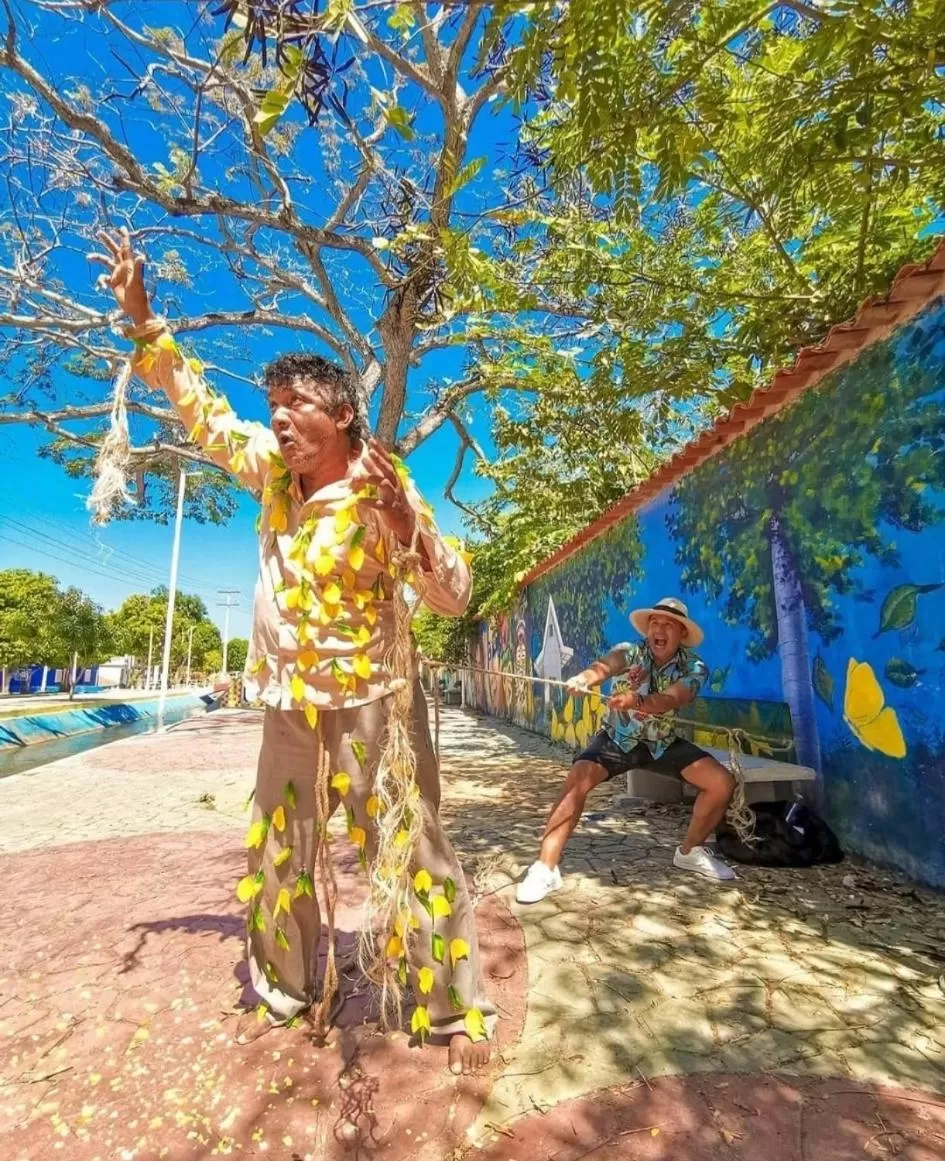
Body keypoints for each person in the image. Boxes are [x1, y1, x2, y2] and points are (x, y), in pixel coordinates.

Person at [89, 228, 494, 1074]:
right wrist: (145, 323)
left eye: (296, 406)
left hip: (374, 702)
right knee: (278, 847)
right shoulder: (272, 474)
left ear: (340, 413)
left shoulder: (383, 481)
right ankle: (283, 985)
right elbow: (204, 415)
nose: (278, 418)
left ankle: (450, 1000)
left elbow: (455, 591)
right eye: (273, 407)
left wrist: (402, 524)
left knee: (405, 847)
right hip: (285, 704)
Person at [516, 597, 736, 903]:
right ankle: (545, 868)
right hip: (618, 738)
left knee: (721, 783)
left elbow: (673, 698)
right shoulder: (632, 650)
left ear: (681, 634)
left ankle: (689, 852)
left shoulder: (695, 668)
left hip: (662, 743)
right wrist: (585, 678)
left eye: (668, 625)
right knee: (577, 780)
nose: (659, 630)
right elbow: (607, 665)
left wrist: (639, 702)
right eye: (654, 623)